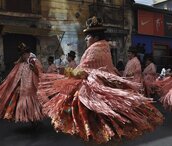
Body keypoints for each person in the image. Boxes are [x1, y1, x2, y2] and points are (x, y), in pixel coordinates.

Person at [38, 16, 163, 144]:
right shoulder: (104, 47)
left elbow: (83, 72)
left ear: (95, 37)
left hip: (94, 93)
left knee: (92, 123)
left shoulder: (95, 49)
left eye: (88, 36)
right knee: (103, 125)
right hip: (104, 89)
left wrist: (65, 72)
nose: (86, 39)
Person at [0, 42, 45, 123]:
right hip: (23, 90)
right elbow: (15, 75)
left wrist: (34, 69)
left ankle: (35, 121)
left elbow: (41, 73)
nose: (22, 57)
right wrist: (8, 82)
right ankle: (32, 121)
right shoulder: (21, 64)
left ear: (26, 53)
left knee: (33, 107)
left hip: (32, 90)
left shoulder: (34, 61)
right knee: (25, 107)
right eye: (21, 55)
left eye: (23, 54)